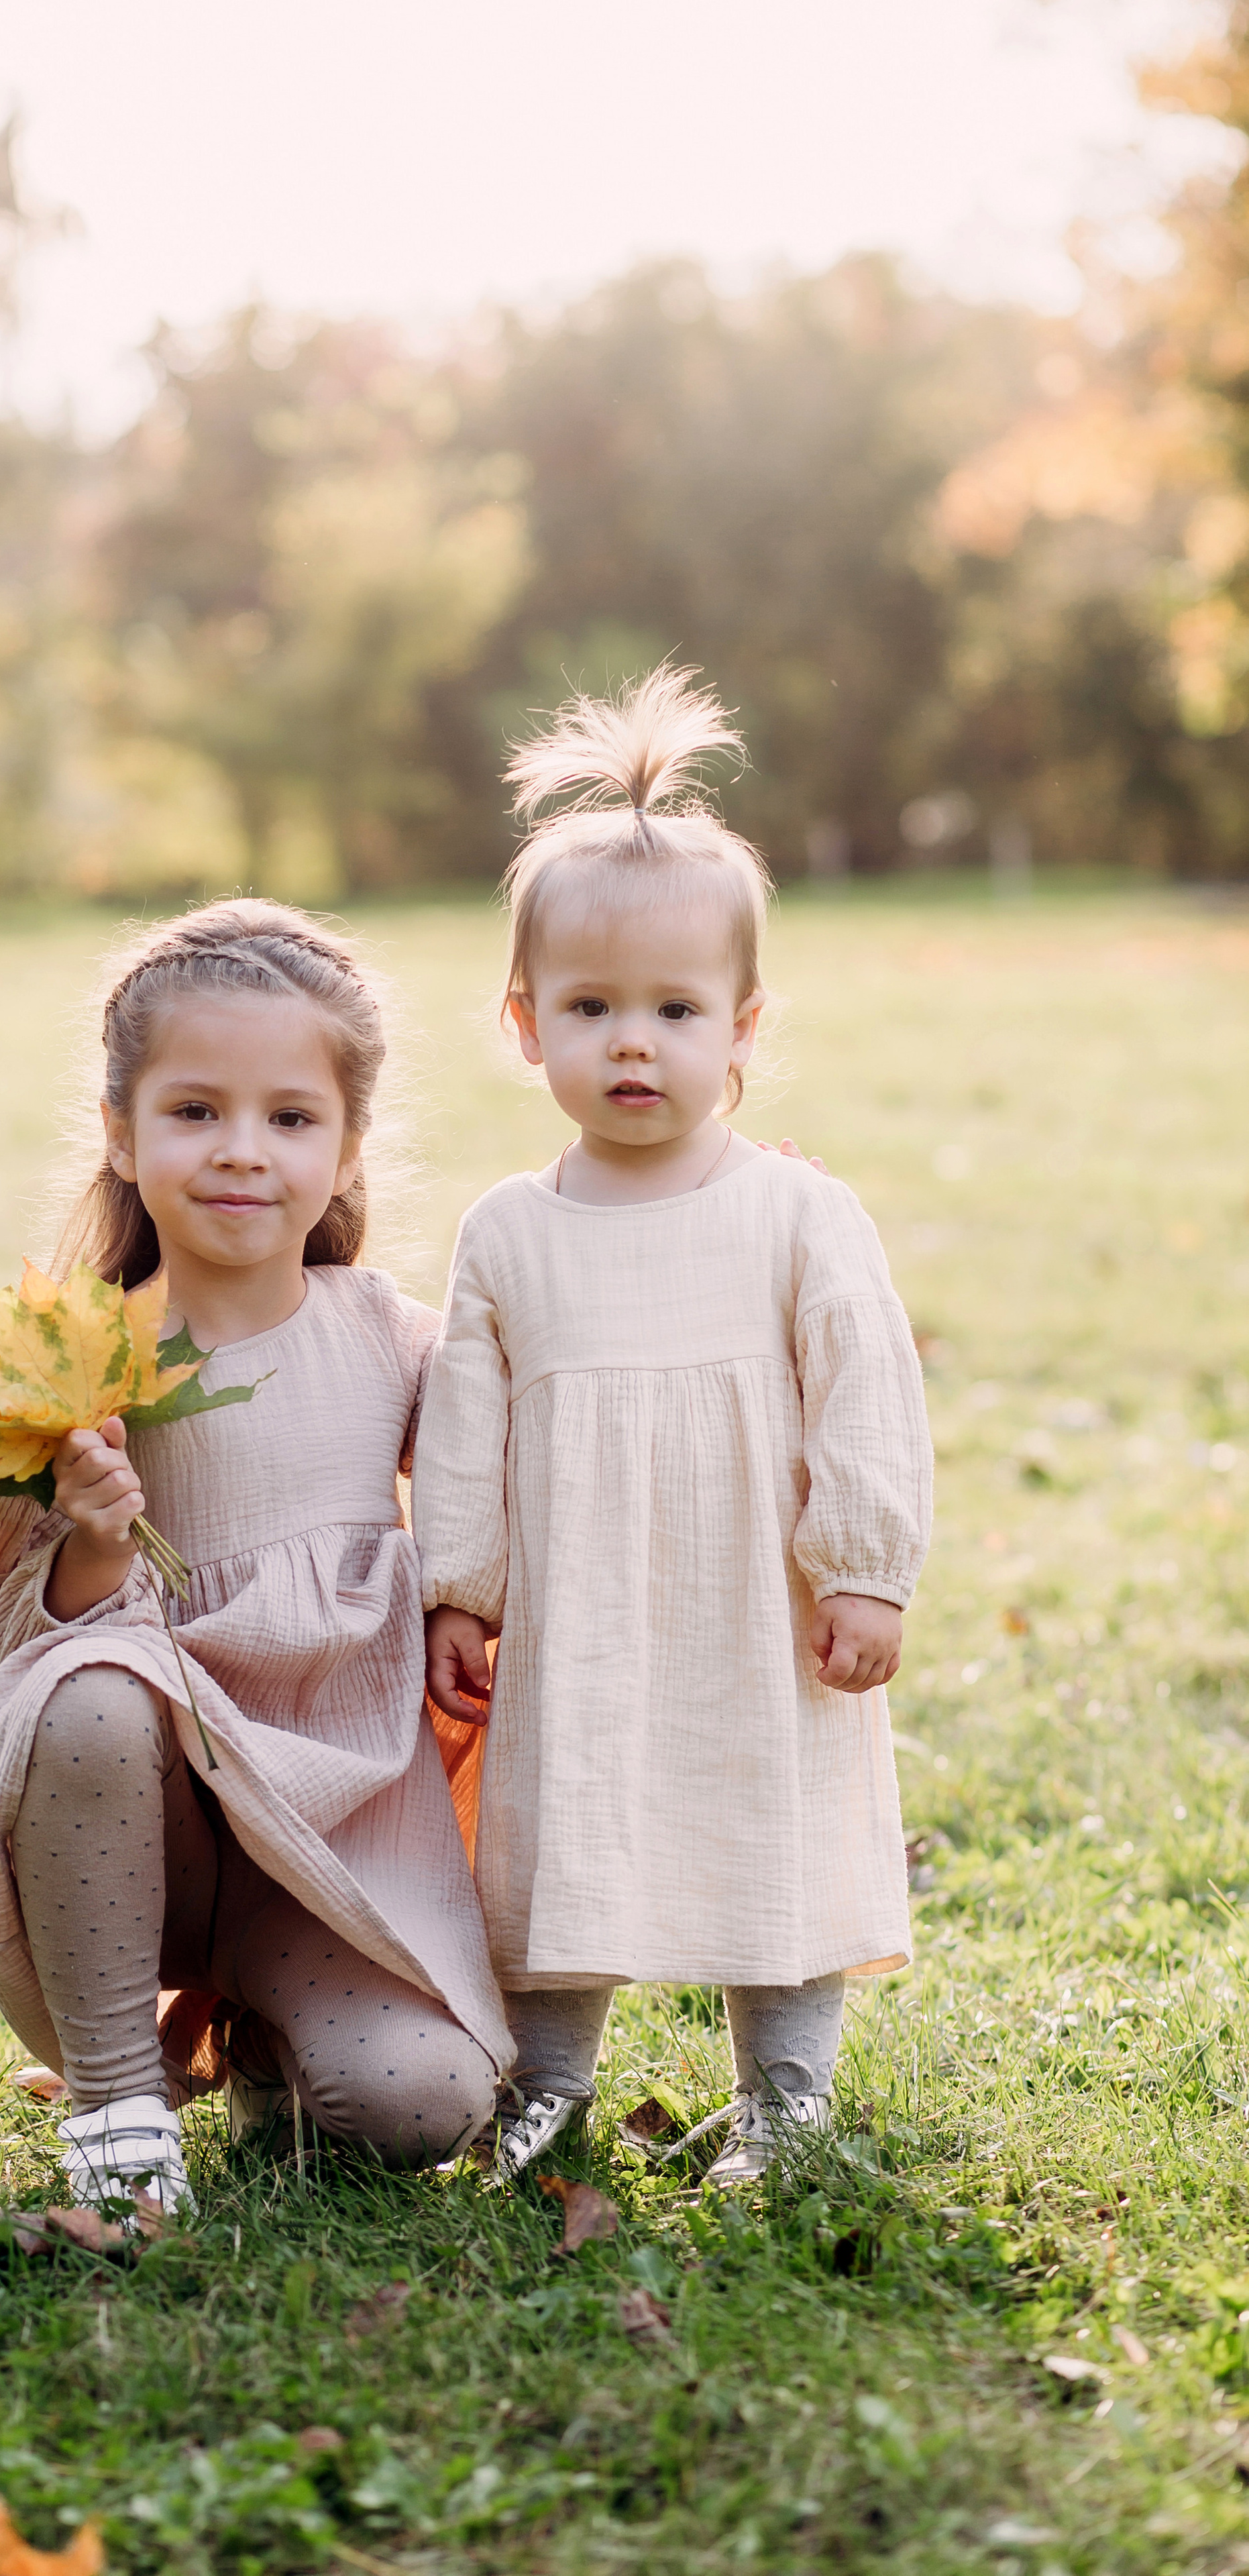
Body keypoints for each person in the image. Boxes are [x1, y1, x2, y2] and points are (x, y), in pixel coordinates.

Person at [414, 669, 933, 2187]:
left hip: (752, 1599)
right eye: (588, 1009)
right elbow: (464, 1420)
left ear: (741, 1026)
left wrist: (861, 1564)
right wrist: (459, 1582)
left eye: (672, 1011)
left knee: (765, 1814)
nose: (630, 1046)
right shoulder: (508, 1231)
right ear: (525, 1026)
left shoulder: (792, 1210)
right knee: (558, 1822)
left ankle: (785, 2094)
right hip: (579, 1603)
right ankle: (544, 2085)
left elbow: (864, 1384)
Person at [0, 901, 510, 2223]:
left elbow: (523, 1482)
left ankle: (267, 2034)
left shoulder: (394, 1345)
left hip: (334, 1834)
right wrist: (93, 1542)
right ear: (122, 1136)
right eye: (194, 1112)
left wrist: (706, 1220)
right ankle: (123, 2118)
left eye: (290, 1119)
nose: (242, 1152)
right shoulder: (70, 1366)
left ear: (347, 1150)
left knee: (419, 2110)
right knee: (91, 1687)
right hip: (145, 1833)